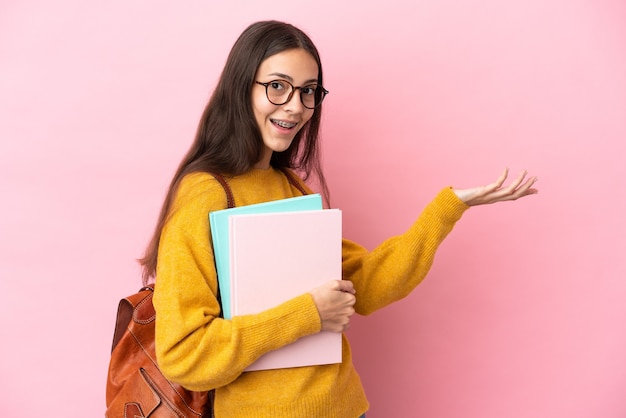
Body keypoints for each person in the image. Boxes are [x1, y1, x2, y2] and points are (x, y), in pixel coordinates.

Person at [139, 20, 538, 418]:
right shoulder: (205, 194)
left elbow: (366, 285)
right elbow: (184, 354)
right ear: (241, 88)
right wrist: (308, 314)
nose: (295, 106)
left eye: (308, 91)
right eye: (277, 86)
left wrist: (449, 208)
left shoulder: (292, 188)